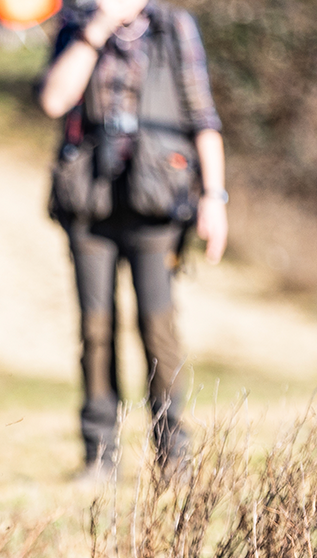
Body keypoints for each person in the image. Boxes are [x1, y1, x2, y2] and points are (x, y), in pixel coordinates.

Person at [38, 0, 228, 479]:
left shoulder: (174, 27)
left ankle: (174, 457)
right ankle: (99, 456)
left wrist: (215, 198)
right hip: (89, 203)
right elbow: (54, 101)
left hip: (159, 203)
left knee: (159, 331)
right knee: (95, 332)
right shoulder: (76, 25)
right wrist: (97, 28)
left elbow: (204, 117)